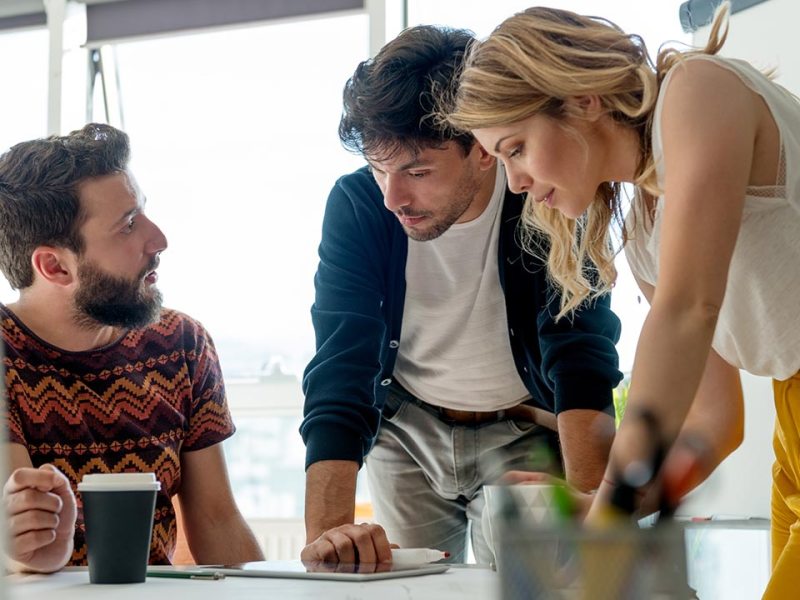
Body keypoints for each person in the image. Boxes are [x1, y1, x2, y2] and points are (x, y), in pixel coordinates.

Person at [443, 2, 800, 595]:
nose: (516, 183)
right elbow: (715, 421)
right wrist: (607, 504)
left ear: (582, 99)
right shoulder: (645, 238)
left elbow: (687, 311)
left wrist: (611, 511)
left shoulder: (697, 92)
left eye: (516, 148)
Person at [300, 25, 623, 566]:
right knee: (408, 588)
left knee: (543, 582)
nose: (392, 197)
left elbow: (580, 354)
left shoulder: (548, 191)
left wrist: (596, 513)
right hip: (406, 431)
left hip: (525, 427)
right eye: (379, 170)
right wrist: (329, 540)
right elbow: (342, 363)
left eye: (417, 171)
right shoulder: (357, 206)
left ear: (481, 148)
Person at [0, 123, 264, 573]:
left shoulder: (182, 344)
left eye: (142, 213)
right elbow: (20, 545)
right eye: (127, 226)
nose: (158, 239)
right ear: (55, 267)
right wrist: (30, 553)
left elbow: (217, 521)